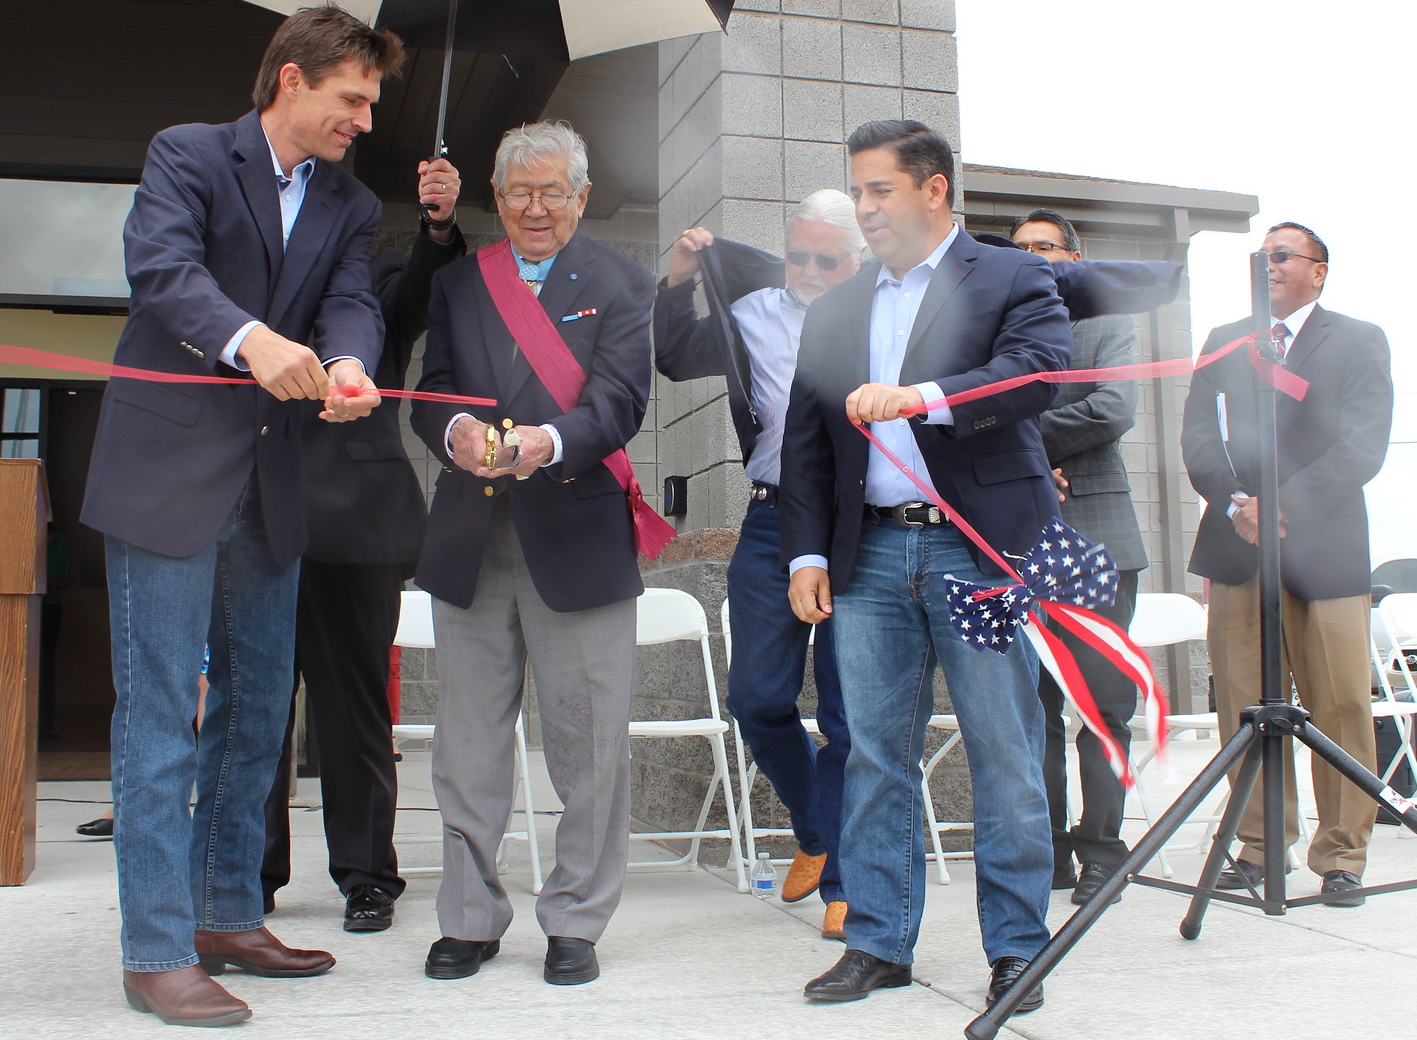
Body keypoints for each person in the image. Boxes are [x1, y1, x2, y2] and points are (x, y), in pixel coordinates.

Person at [79, 6, 403, 1027]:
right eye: (351, 98)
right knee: (162, 715)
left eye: (370, 104)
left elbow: (355, 300)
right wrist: (252, 339)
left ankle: (225, 914)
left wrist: (350, 359)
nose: (362, 120)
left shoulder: (351, 202)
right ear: (292, 80)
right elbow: (165, 274)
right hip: (166, 471)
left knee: (259, 712)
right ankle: (156, 948)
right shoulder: (186, 155)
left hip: (273, 482)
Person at [780, 120, 1070, 1013]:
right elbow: (804, 446)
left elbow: (1039, 372)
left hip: (976, 549)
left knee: (1004, 753)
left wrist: (927, 397)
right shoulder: (835, 309)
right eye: (857, 191)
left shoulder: (1013, 274)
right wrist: (804, 551)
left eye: (880, 190)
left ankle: (1018, 951)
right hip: (865, 557)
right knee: (871, 754)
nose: (864, 208)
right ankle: (877, 941)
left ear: (933, 188)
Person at [409, 120, 654, 988]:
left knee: (588, 742)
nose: (536, 207)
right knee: (466, 742)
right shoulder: (458, 284)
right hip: (472, 537)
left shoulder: (622, 282)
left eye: (554, 191)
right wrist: (456, 432)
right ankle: (469, 920)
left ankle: (575, 919)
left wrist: (548, 441)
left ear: (581, 197)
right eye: (519, 192)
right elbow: (429, 392)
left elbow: (622, 401)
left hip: (575, 534)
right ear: (498, 198)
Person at [261, 157, 467, 931]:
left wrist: (438, 226)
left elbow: (416, 291)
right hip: (260, 508)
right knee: (257, 707)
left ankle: (367, 875)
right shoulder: (253, 274)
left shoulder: (373, 276)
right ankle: (252, 875)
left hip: (356, 521)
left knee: (353, 710)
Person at [653, 189, 864, 938]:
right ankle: (814, 830)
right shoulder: (753, 315)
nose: (806, 269)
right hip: (772, 519)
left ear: (857, 259)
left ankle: (844, 882)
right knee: (756, 698)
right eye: (796, 254)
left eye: (824, 259)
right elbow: (674, 356)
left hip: (860, 529)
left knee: (846, 717)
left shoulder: (884, 318)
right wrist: (680, 276)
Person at [1181, 221, 1392, 907]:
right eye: (1260, 255)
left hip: (1323, 548)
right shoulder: (1224, 340)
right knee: (1243, 702)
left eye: (1281, 255)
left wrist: (1282, 504)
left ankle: (1341, 854)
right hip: (1238, 547)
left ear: (1318, 270)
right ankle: (1258, 846)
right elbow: (1196, 433)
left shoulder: (1357, 340)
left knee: (1337, 700)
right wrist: (1240, 501)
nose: (1267, 264)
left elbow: (1361, 445)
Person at [1011, 209, 1148, 905]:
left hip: (1098, 537)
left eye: (1045, 248)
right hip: (1018, 544)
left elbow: (1111, 409)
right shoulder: (997, 334)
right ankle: (1049, 851)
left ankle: (1102, 849)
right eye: (1021, 251)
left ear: (1073, 256)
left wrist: (1028, 448)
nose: (1033, 258)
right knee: (1029, 710)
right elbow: (973, 421)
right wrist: (1021, 461)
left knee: (1100, 706)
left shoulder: (1107, 324)